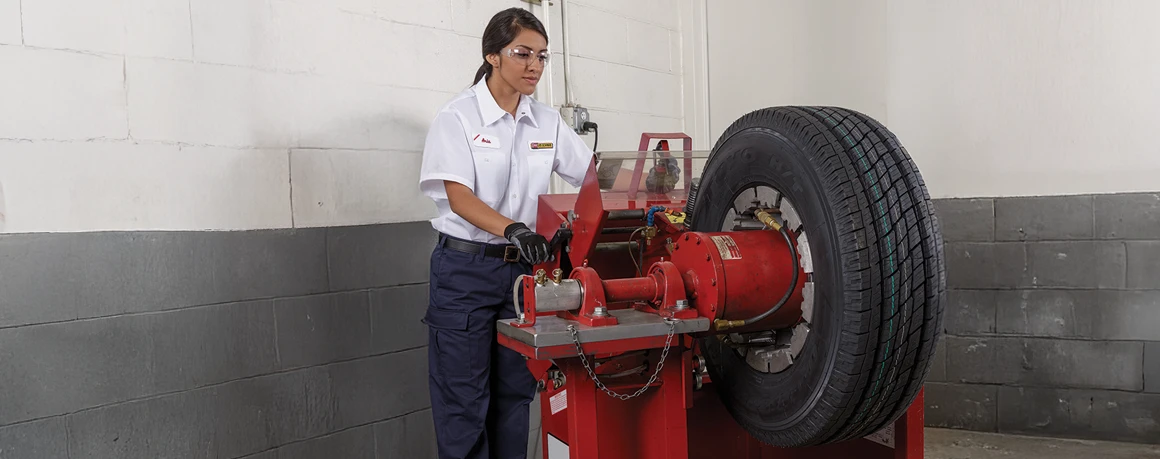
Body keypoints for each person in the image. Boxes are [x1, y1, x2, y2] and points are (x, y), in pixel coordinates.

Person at [417, 7, 594, 459]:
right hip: (465, 273)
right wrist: (514, 228)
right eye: (523, 54)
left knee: (515, 398)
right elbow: (459, 197)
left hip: (521, 280)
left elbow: (591, 178)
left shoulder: (546, 122)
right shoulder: (457, 118)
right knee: (464, 404)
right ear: (493, 56)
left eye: (542, 56)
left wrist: (640, 183)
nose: (534, 65)